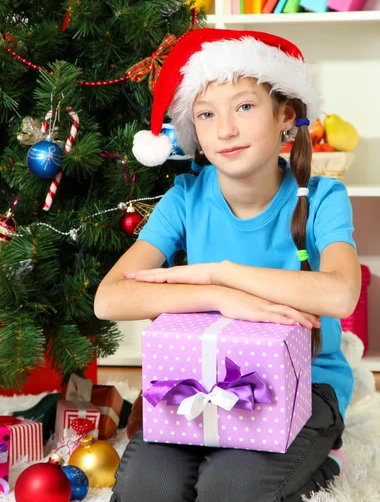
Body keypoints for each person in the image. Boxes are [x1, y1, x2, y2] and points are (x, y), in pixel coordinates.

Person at [94, 28, 361, 502]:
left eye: (243, 106)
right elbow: (109, 298)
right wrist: (221, 298)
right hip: (199, 376)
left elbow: (341, 294)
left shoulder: (323, 198)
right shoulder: (185, 199)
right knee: (144, 487)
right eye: (206, 114)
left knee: (227, 487)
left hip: (305, 383)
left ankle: (322, 461)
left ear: (285, 115)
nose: (226, 130)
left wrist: (220, 271)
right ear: (193, 130)